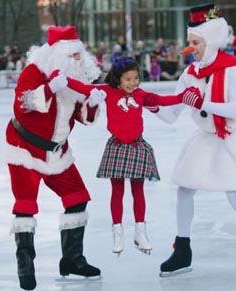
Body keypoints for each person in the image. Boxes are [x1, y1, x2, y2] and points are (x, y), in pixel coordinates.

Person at [154, 4, 236, 285]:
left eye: (195, 42)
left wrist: (201, 102)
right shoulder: (190, 72)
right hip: (208, 135)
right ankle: (183, 250)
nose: (191, 48)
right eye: (189, 42)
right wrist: (149, 104)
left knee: (235, 194)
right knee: (185, 189)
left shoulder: (235, 70)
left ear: (211, 40)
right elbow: (171, 113)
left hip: (235, 136)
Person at [63, 56, 197, 255]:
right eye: (128, 79)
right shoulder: (107, 92)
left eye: (136, 78)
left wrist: (182, 97)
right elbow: (83, 88)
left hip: (136, 145)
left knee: (138, 190)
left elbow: (162, 100)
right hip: (117, 146)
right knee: (117, 191)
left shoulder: (141, 94)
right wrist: (63, 79)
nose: (133, 83)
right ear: (118, 79)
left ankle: (140, 231)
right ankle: (117, 232)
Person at [5, 26, 105, 291]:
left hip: (57, 152)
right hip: (25, 149)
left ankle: (72, 259)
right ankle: (25, 261)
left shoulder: (74, 79)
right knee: (26, 205)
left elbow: (84, 118)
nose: (77, 60)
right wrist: (49, 89)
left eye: (78, 55)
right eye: (72, 55)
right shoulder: (34, 73)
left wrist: (93, 102)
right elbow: (22, 105)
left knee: (78, 198)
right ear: (58, 55)